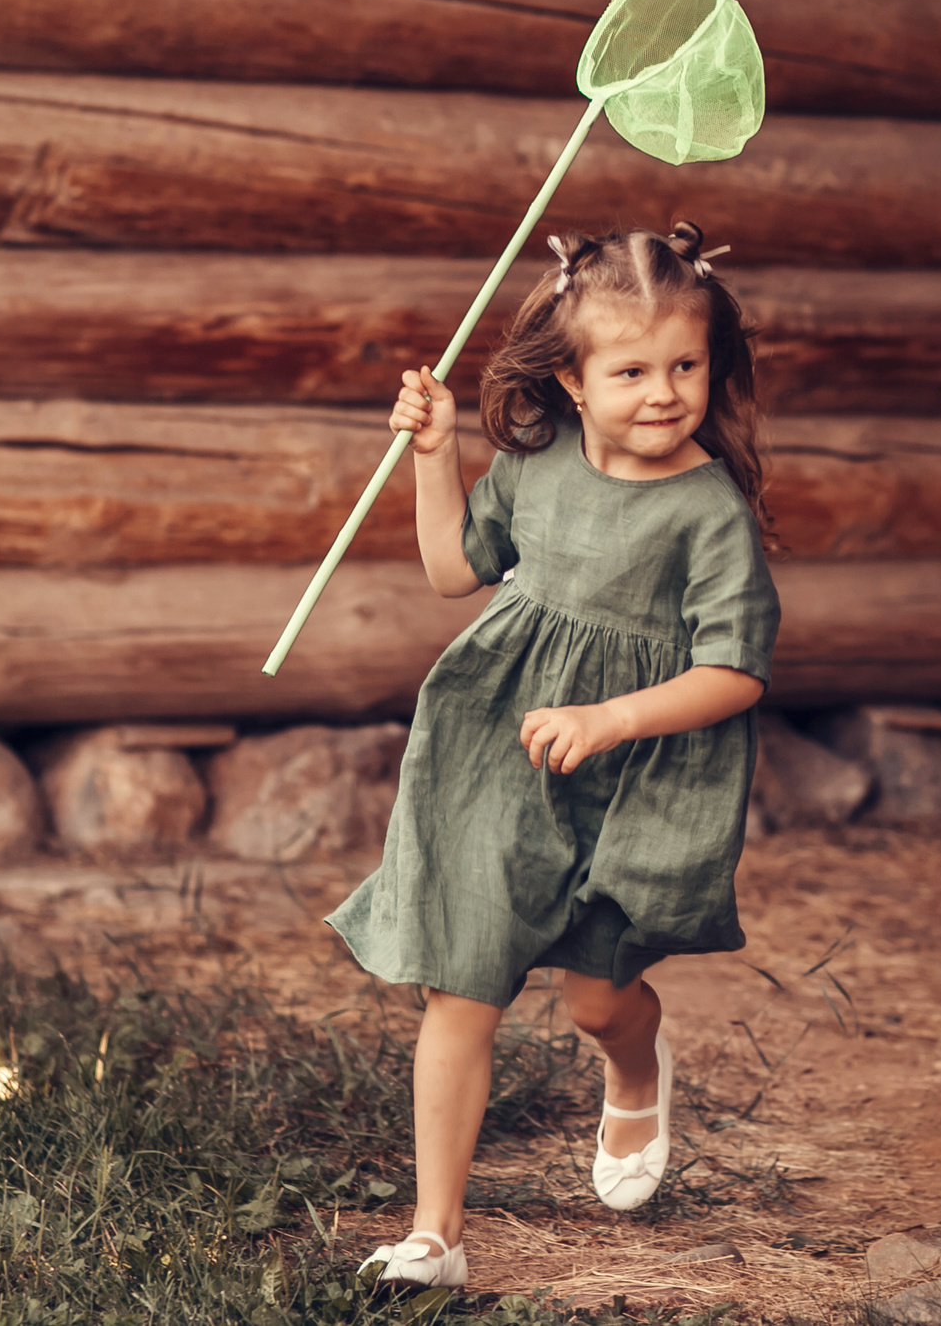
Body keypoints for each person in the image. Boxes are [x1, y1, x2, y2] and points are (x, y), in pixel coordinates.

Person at [327, 221, 780, 1289]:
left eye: (685, 365)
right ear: (573, 381)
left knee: (593, 998)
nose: (665, 392)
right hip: (503, 746)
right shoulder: (533, 467)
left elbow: (737, 672)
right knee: (462, 981)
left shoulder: (708, 511)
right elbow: (452, 572)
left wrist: (611, 717)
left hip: (644, 772)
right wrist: (435, 459)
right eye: (632, 370)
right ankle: (435, 1234)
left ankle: (633, 1065)